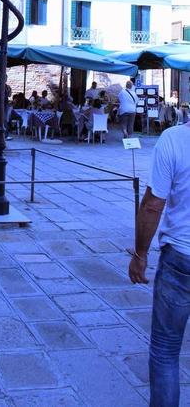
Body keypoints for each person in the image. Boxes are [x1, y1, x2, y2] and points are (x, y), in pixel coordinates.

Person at [128, 118, 190, 407]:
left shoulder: (174, 139)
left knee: (166, 350)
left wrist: (140, 254)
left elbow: (153, 203)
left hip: (181, 255)